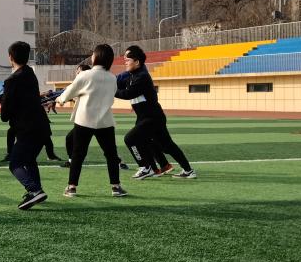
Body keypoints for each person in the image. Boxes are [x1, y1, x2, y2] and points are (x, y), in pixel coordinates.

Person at [56, 45, 129, 198]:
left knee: (78, 154)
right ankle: (116, 187)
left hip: (84, 120)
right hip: (105, 120)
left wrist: (59, 99)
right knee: (111, 154)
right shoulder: (112, 78)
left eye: (93, 54)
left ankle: (72, 187)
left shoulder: (85, 75)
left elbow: (68, 93)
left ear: (96, 57)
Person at [116, 45, 197, 180]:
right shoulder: (130, 76)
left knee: (130, 139)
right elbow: (117, 83)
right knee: (165, 146)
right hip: (145, 117)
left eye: (128, 59)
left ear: (137, 62)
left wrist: (112, 91)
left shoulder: (142, 77)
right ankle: (187, 170)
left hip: (152, 118)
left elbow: (128, 94)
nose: (125, 62)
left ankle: (145, 167)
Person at [0, 41, 51, 210]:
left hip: (27, 129)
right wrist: (1, 98)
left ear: (10, 57)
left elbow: (5, 115)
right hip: (42, 127)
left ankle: (34, 190)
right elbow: (23, 95)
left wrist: (2, 104)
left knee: (15, 164)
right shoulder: (29, 73)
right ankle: (38, 190)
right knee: (29, 160)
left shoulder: (11, 80)